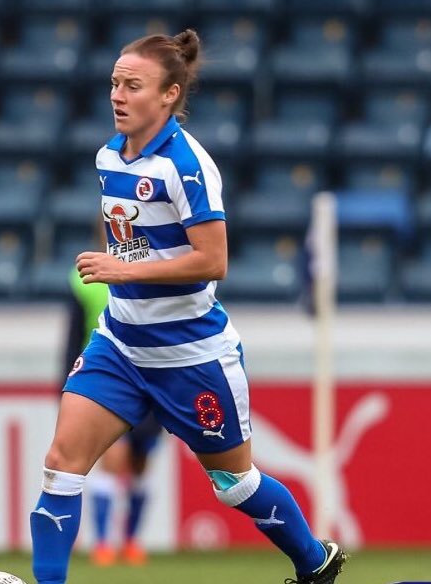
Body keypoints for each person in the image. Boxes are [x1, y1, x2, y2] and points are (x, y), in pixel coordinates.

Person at [30, 30, 348, 584]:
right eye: (114, 83)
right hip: (121, 343)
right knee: (62, 464)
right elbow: (138, 241)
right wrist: (126, 272)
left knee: (235, 484)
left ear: (169, 94)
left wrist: (124, 270)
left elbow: (213, 260)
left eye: (133, 86)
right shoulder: (109, 155)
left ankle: (314, 562)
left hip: (190, 354)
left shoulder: (187, 165)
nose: (117, 95)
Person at [64, 265, 162, 567]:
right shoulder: (85, 280)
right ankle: (103, 542)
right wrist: (67, 386)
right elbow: (72, 338)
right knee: (112, 458)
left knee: (140, 464)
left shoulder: (157, 269)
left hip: (152, 381)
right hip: (108, 381)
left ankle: (131, 541)